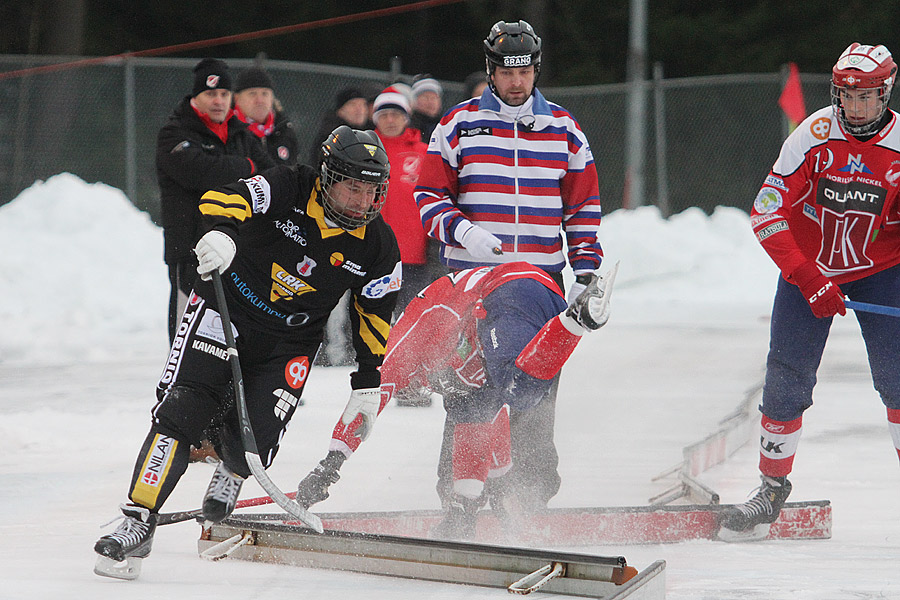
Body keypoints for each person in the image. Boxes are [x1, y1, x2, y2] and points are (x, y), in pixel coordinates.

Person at [94, 126, 401, 579]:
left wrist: (367, 381)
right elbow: (224, 198)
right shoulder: (288, 185)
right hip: (224, 313)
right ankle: (137, 520)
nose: (361, 202)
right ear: (326, 176)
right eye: (351, 187)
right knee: (182, 411)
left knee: (253, 438)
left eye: (371, 192)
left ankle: (232, 468)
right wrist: (222, 234)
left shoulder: (378, 245)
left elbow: (373, 314)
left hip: (290, 344)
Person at [414, 20, 603, 513]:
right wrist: (465, 232)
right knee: (470, 393)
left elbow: (583, 206)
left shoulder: (563, 127)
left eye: (524, 71)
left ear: (536, 69)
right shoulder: (457, 124)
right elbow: (428, 197)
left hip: (541, 285)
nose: (515, 82)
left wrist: (586, 271)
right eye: (505, 71)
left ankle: (528, 498)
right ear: (490, 70)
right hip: (475, 283)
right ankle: (460, 500)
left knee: (536, 392)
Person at [718, 42, 900, 541]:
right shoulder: (814, 133)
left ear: (886, 92)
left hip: (882, 270)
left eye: (865, 96)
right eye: (845, 95)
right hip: (809, 270)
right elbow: (766, 209)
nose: (853, 107)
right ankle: (770, 489)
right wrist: (806, 275)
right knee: (787, 377)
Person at [293, 261, 615, 539]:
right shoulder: (459, 386)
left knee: (518, 389)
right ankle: (571, 323)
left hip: (508, 292)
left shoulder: (406, 347)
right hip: (530, 302)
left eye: (411, 389)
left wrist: (330, 464)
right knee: (505, 396)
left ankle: (574, 322)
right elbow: (481, 426)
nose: (416, 392)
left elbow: (367, 402)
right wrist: (468, 509)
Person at [156, 58, 275, 345]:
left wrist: (236, 167)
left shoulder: (240, 133)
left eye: (223, 94)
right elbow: (200, 173)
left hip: (236, 245)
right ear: (196, 97)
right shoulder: (174, 132)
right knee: (188, 326)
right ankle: (180, 385)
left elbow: (272, 174)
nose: (218, 101)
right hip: (189, 248)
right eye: (210, 94)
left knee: (233, 328)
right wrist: (246, 167)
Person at [371, 85, 434, 314]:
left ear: (406, 117)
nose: (390, 120)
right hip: (372, 252)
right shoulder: (363, 149)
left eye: (396, 114)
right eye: (384, 115)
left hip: (414, 255)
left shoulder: (424, 153)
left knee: (413, 316)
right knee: (371, 315)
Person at [233, 66, 300, 166]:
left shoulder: (284, 130)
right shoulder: (229, 132)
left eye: (265, 94)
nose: (259, 100)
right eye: (252, 94)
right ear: (237, 98)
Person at [309, 86, 370, 165]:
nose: (359, 109)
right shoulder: (331, 135)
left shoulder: (369, 134)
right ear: (340, 110)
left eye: (363, 104)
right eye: (353, 104)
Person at [410, 74, 443, 143]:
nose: (430, 102)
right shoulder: (409, 127)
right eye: (425, 97)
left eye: (434, 98)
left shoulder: (446, 126)